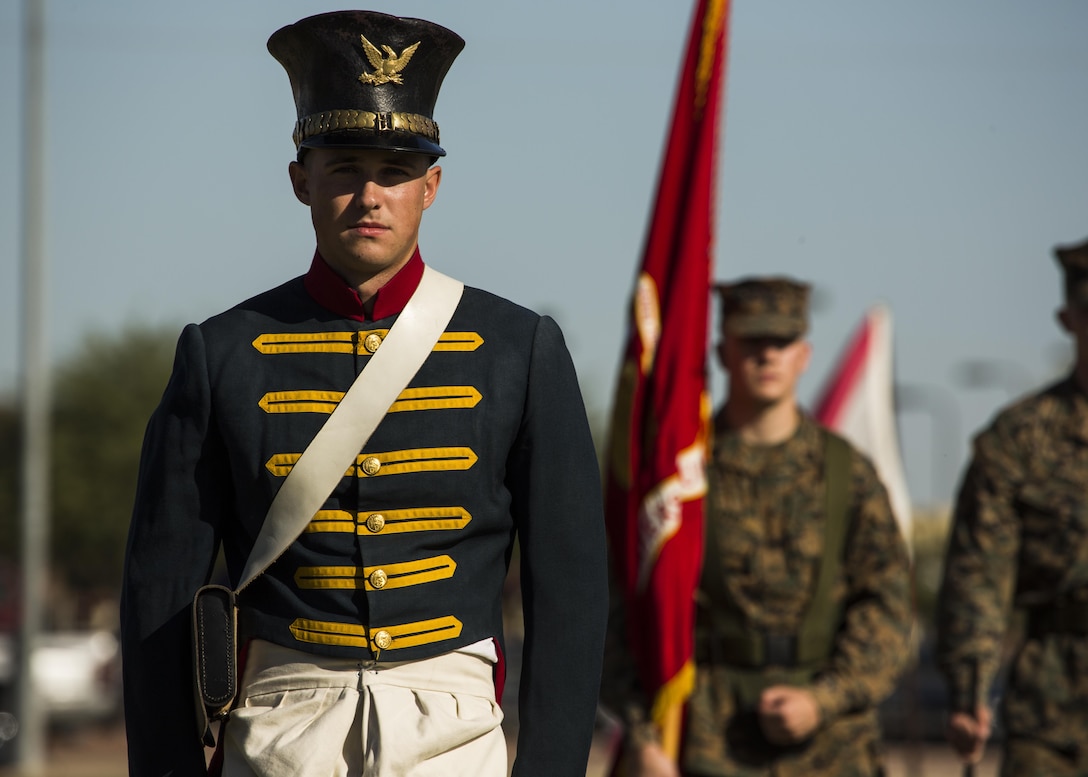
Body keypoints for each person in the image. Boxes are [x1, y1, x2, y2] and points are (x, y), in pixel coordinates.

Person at [120, 10, 608, 777]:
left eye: (395, 170)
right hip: (283, 732)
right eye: (344, 167)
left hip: (452, 732)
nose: (370, 195)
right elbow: (158, 595)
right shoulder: (220, 353)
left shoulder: (520, 348)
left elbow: (570, 589)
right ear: (299, 180)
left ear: (432, 185)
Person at [601, 276, 913, 776]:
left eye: (782, 343)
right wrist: (643, 734)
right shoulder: (681, 477)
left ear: (804, 355)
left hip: (831, 747)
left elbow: (889, 608)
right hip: (704, 742)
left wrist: (824, 699)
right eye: (752, 342)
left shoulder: (847, 472)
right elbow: (619, 608)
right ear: (723, 353)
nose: (767, 357)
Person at [937, 236, 1088, 776]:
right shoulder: (1019, 440)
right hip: (1055, 709)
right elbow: (979, 575)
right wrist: (969, 690)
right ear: (1068, 318)